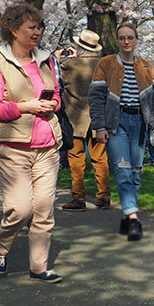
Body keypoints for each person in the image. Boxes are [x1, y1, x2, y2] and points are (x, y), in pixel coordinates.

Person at [0, 3, 64, 282]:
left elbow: (57, 96)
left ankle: (39, 267)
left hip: (47, 147)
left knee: (43, 210)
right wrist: (24, 107)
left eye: (39, 26)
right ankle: (1, 247)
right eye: (32, 27)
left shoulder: (46, 59)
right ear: (14, 31)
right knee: (21, 209)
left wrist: (53, 103)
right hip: (14, 148)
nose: (38, 32)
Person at [90, 22, 154, 242]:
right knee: (123, 170)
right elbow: (95, 98)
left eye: (130, 37)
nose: (126, 42)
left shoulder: (147, 67)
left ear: (137, 40)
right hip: (116, 122)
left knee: (136, 172)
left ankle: (126, 215)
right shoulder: (106, 64)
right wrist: (100, 126)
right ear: (117, 40)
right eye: (122, 38)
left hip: (139, 123)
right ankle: (133, 218)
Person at [59, 30, 109, 211]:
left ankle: (78, 198)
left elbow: (56, 76)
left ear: (79, 46)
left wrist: (60, 57)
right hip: (98, 117)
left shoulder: (69, 65)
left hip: (76, 118)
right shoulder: (104, 66)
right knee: (100, 158)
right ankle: (104, 196)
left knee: (76, 159)